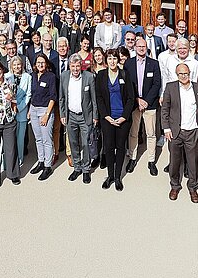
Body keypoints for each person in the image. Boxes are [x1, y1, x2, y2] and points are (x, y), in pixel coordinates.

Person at [162, 63, 198, 203]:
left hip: (193, 131)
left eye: (186, 73)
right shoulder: (170, 87)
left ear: (190, 73)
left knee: (193, 162)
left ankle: (193, 187)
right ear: (177, 74)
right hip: (175, 131)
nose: (183, 76)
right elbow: (165, 109)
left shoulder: (197, 88)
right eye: (181, 74)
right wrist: (166, 128)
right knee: (175, 161)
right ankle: (175, 186)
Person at [95, 49, 135, 191]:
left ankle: (118, 177)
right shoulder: (101, 75)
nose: (112, 61)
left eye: (114, 59)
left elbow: (131, 98)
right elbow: (98, 97)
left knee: (120, 147)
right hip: (108, 118)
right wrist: (106, 116)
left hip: (123, 118)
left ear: (119, 60)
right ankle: (110, 175)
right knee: (109, 147)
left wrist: (124, 116)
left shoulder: (125, 74)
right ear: (106, 60)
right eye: (110, 58)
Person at [124, 38, 161, 176]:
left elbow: (157, 84)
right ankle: (132, 158)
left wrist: (146, 100)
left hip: (149, 105)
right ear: (135, 47)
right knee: (133, 133)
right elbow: (127, 85)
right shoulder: (128, 64)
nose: (141, 48)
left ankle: (151, 161)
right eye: (139, 46)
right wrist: (137, 100)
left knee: (151, 134)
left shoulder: (154, 64)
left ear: (147, 48)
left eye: (143, 46)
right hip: (134, 104)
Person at [59, 53, 98, 184]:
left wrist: (95, 116)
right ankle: (77, 167)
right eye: (73, 66)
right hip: (70, 116)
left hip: (85, 116)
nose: (75, 69)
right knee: (73, 142)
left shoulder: (89, 77)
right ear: (69, 66)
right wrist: (63, 114)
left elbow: (94, 99)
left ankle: (86, 169)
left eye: (77, 66)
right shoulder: (64, 76)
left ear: (81, 65)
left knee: (86, 143)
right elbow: (61, 98)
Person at [29, 53, 57, 181]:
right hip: (34, 109)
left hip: (45, 110)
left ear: (46, 63)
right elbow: (32, 94)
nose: (40, 64)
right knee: (38, 138)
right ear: (35, 64)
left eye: (42, 62)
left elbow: (53, 97)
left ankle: (47, 166)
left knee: (46, 139)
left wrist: (47, 114)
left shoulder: (51, 77)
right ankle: (40, 161)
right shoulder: (33, 76)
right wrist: (30, 109)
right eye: (38, 62)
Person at [6, 56, 32, 167]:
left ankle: (19, 159)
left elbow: (28, 94)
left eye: (19, 64)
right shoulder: (7, 77)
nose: (17, 67)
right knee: (10, 138)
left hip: (22, 110)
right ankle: (8, 161)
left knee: (20, 138)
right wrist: (12, 105)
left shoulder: (27, 77)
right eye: (14, 65)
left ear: (22, 65)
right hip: (9, 111)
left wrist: (19, 106)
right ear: (11, 66)